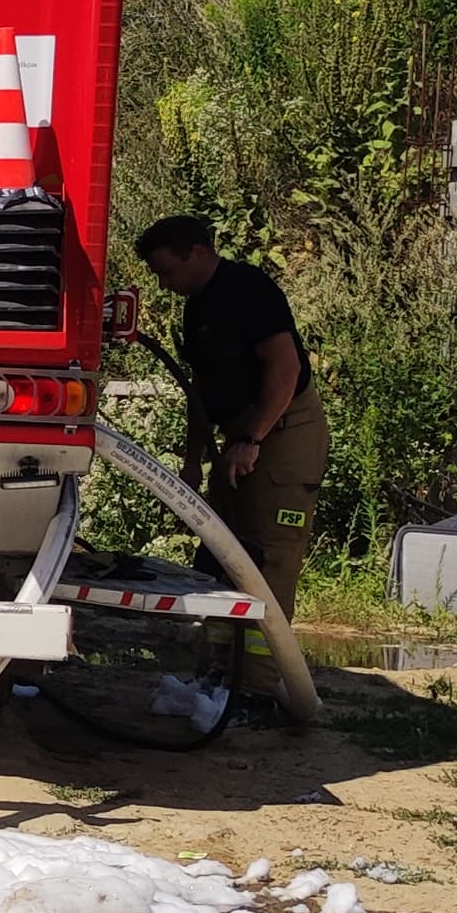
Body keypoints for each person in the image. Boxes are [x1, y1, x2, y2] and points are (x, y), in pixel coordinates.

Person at [132, 211, 329, 616]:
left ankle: (259, 677)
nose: (164, 285)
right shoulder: (198, 308)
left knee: (265, 557)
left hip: (282, 430)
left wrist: (252, 439)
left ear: (198, 253)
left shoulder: (247, 290)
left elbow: (285, 367)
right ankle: (217, 673)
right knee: (223, 551)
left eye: (167, 271)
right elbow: (199, 389)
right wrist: (192, 464)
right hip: (237, 438)